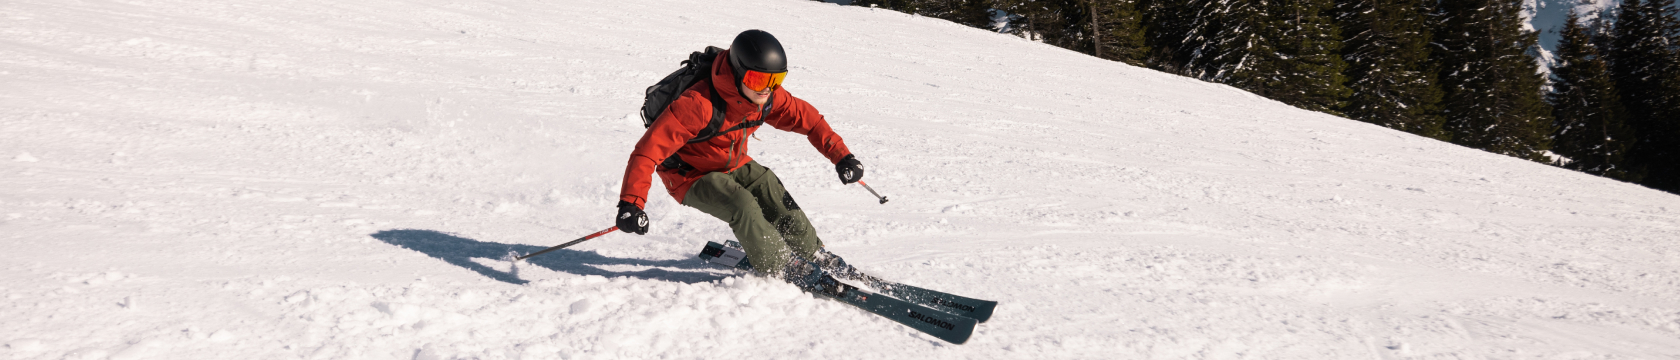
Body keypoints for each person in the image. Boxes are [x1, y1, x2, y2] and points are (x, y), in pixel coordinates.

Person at [614, 29, 865, 289]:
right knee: (741, 204)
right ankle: (781, 265)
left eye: (776, 80)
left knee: (769, 186)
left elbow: (810, 121)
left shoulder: (766, 97)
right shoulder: (697, 104)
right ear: (737, 73)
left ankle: (811, 251)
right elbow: (647, 151)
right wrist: (631, 203)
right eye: (758, 80)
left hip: (731, 162)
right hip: (688, 174)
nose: (767, 89)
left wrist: (842, 156)